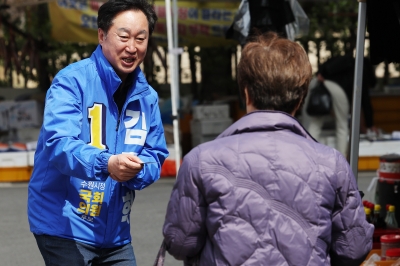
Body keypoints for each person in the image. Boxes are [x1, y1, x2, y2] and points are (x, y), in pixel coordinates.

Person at [162, 31, 373, 265]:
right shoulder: (331, 162)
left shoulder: (201, 160)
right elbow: (354, 247)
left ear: (246, 92)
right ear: (300, 99)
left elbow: (180, 243)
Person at [27, 1, 169, 265]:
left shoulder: (147, 97)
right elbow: (59, 145)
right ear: (102, 35)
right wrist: (108, 163)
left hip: (116, 234)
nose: (132, 47)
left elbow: (155, 154)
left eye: (141, 38)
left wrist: (137, 169)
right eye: (123, 36)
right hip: (63, 226)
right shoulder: (71, 81)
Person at [302, 55, 378, 157]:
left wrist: (321, 74)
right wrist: (370, 124)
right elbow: (364, 100)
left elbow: (325, 67)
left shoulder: (343, 60)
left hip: (320, 83)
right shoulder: (360, 69)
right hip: (338, 89)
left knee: (315, 124)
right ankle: (341, 158)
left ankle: (307, 155)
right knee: (342, 125)